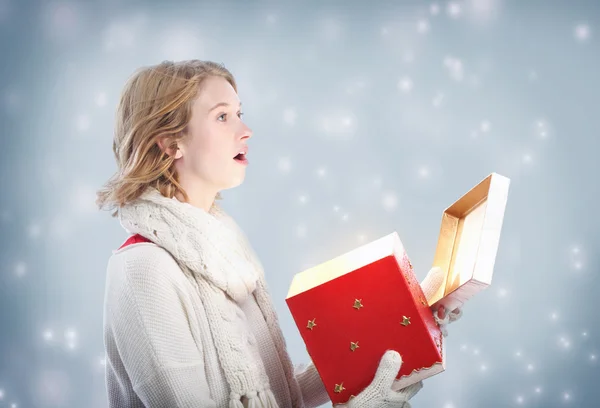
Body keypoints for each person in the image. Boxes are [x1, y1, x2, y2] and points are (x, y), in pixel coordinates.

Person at [96, 59, 462, 408]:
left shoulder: (226, 248)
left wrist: (406, 322)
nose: (245, 129)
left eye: (239, 114)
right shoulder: (142, 271)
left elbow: (278, 394)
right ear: (170, 143)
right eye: (221, 116)